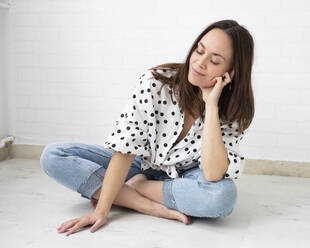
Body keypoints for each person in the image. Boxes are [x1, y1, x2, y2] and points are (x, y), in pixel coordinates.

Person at [40, 19, 255, 236]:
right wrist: (102, 212)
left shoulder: (235, 108)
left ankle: (137, 188)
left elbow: (212, 173)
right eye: (199, 51)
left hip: (185, 177)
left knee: (222, 197)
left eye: (215, 61)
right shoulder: (156, 82)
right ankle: (141, 203)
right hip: (138, 164)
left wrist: (211, 106)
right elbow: (125, 149)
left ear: (232, 71)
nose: (199, 63)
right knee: (54, 155)